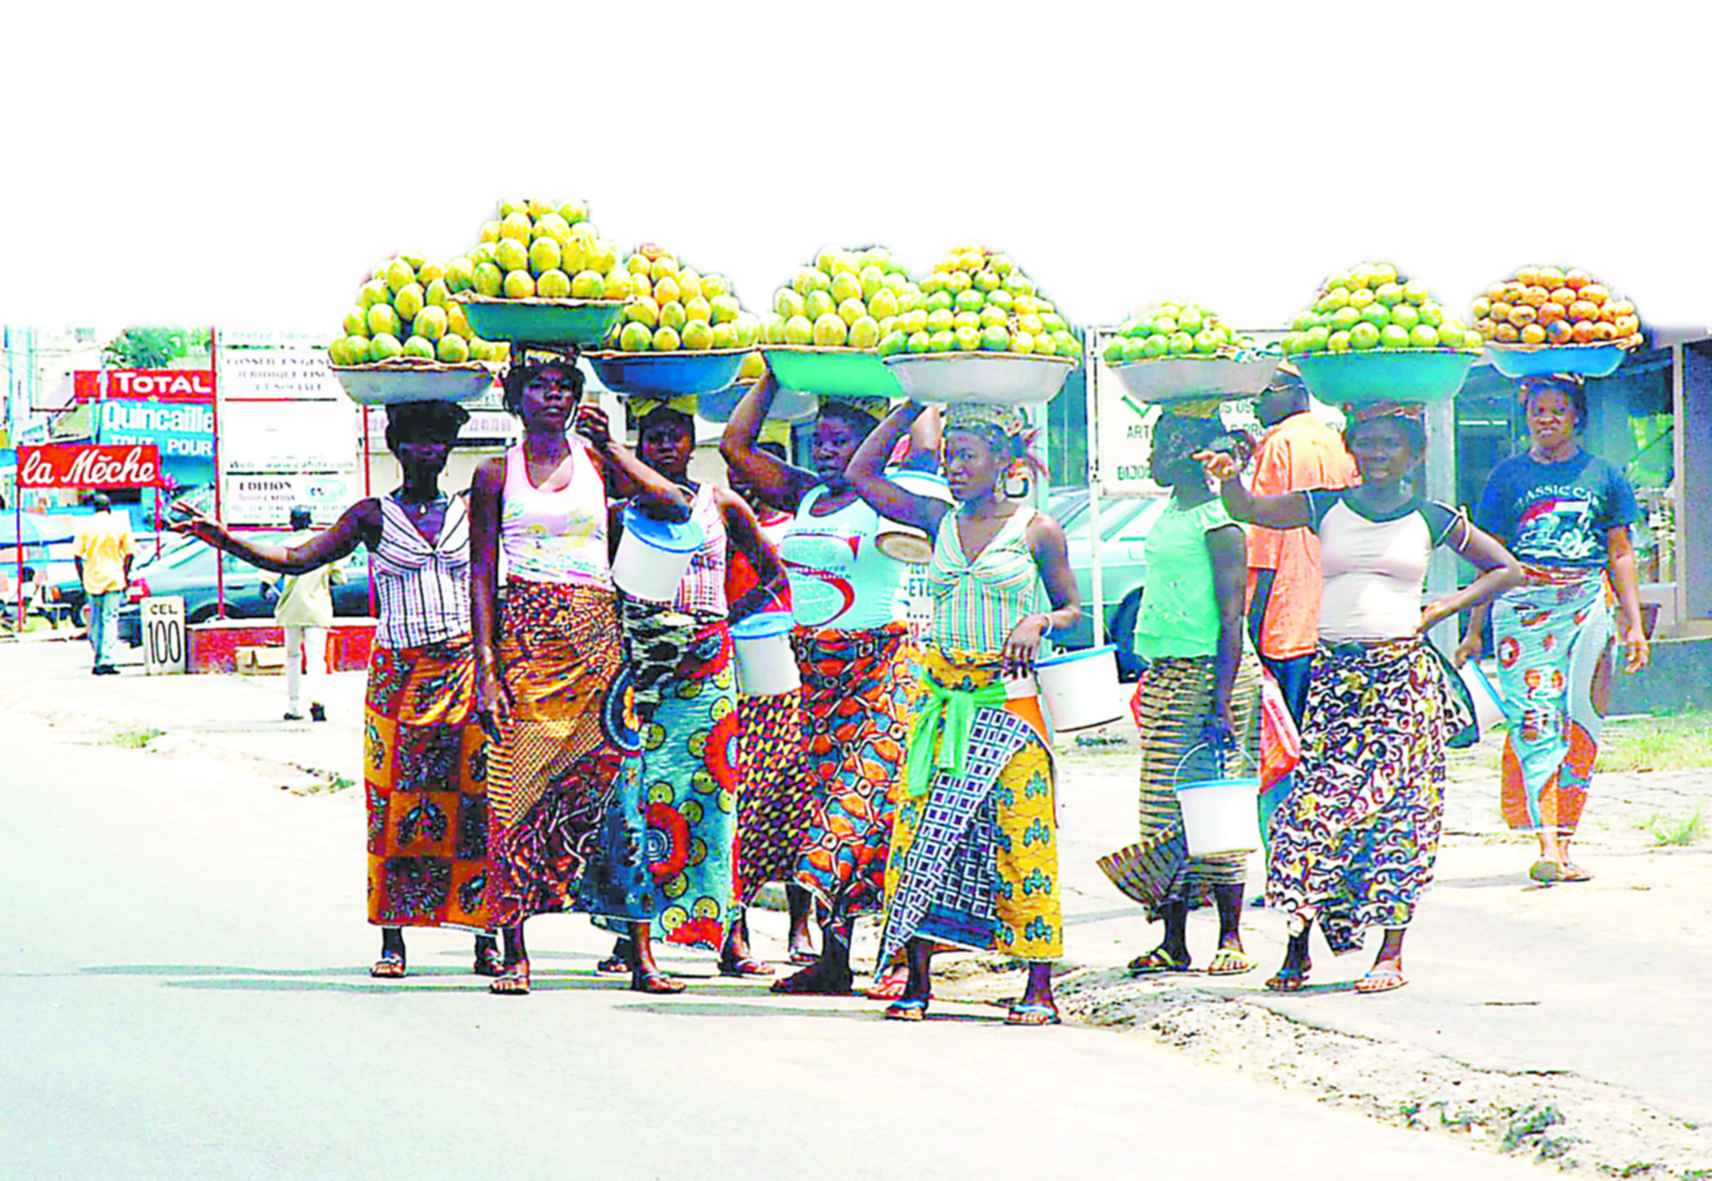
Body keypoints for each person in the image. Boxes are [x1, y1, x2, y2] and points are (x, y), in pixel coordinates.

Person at [170, 402, 501, 979]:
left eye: (438, 443)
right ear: (396, 448)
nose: (428, 453)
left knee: (476, 806)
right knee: (394, 808)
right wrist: (223, 539)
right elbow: (298, 559)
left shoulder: (470, 510)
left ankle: (483, 935)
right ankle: (393, 939)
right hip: (399, 680)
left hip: (465, 673)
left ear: (449, 449)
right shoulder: (372, 517)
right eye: (416, 442)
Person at [1200, 404, 1521, 994]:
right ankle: (1298, 948)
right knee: (1309, 814)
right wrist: (1229, 476)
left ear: (1415, 456)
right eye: (1366, 442)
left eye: (1389, 445)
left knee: (1400, 814)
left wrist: (1443, 609)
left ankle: (1389, 954)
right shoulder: (1324, 505)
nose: (1376, 453)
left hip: (1403, 681)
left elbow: (1506, 569)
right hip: (1334, 681)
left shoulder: (1432, 517)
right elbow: (1246, 510)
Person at [846, 400, 1080, 1026]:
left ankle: (1038, 985)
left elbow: (1075, 612)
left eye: (968, 457)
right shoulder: (936, 519)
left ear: (1003, 462)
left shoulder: (1037, 529)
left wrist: (1038, 620)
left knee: (1022, 837)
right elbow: (861, 476)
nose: (955, 469)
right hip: (942, 703)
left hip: (1009, 703)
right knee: (922, 837)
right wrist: (908, 408)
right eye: (950, 456)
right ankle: (916, 982)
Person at [470, 356, 691, 996]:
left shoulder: (597, 465)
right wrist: (486, 667)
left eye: (565, 387)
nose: (553, 397)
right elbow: (481, 574)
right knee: (516, 791)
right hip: (524, 637)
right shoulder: (494, 474)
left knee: (621, 792)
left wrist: (615, 448)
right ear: (517, 397)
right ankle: (514, 946)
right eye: (539, 386)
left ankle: (641, 951)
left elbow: (674, 505)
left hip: (596, 636)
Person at [720, 375, 916, 998]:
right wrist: (773, 373)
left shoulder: (886, 499)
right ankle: (835, 961)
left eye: (842, 442)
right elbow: (736, 446)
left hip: (878, 672)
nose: (827, 451)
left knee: (864, 817)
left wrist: (915, 398)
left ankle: (903, 958)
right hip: (813, 679)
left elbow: (900, 455)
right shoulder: (804, 497)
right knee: (819, 816)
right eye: (821, 440)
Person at [592, 394, 784, 978]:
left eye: (676, 434)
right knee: (639, 805)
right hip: (643, 673)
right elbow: (606, 584)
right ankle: (641, 951)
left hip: (708, 673)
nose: (666, 445)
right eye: (654, 436)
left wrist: (726, 617)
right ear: (640, 445)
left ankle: (729, 939)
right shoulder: (620, 513)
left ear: (691, 441)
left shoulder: (720, 503)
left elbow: (772, 573)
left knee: (715, 803)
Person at [1455, 376, 1650, 884]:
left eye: (1557, 410)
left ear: (1575, 417)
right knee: (1536, 718)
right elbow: (1489, 558)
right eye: (1538, 410)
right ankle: (1545, 843)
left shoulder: (1604, 476)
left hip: (1586, 605)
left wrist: (1634, 623)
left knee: (1581, 719)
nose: (1546, 419)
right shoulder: (1507, 477)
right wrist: (1475, 630)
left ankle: (1565, 840)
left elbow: (1620, 552)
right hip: (1521, 609)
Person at [1097, 409, 1260, 977]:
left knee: (1218, 806)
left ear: (1193, 452)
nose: (1151, 458)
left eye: (1164, 445)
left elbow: (1233, 612)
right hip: (1167, 673)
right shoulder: (1172, 510)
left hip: (1212, 675)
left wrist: (1220, 700)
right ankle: (1173, 938)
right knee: (1162, 812)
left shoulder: (1219, 520)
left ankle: (1231, 937)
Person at [1245, 377, 1360, 855]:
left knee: (1281, 752)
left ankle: (1284, 860)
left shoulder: (1278, 446)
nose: (1256, 400)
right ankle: (1328, 855)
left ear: (1294, 391)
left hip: (1287, 622)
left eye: (1265, 389)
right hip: (1333, 616)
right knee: (1328, 751)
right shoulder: (1333, 441)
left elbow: (1265, 545)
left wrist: (1249, 629)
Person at [725, 432, 819, 968]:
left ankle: (799, 924)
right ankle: (732, 929)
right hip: (728, 673)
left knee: (795, 800)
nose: (745, 484)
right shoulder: (719, 524)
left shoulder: (798, 529)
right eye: (740, 475)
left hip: (789, 674)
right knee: (738, 802)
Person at [267, 505, 344, 722]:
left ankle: (294, 707)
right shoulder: (323, 544)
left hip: (291, 608)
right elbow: (339, 577)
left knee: (292, 656)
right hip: (317, 609)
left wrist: (266, 587)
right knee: (316, 659)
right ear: (310, 521)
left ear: (291, 522)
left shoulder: (284, 545)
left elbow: (268, 576)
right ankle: (317, 702)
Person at [73, 492, 134, 676]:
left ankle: (99, 657)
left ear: (95, 507)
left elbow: (77, 556)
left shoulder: (85, 526)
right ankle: (107, 659)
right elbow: (130, 553)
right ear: (109, 508)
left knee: (95, 620)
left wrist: (82, 576)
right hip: (114, 578)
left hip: (92, 578)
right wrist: (125, 573)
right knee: (110, 619)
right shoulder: (119, 525)